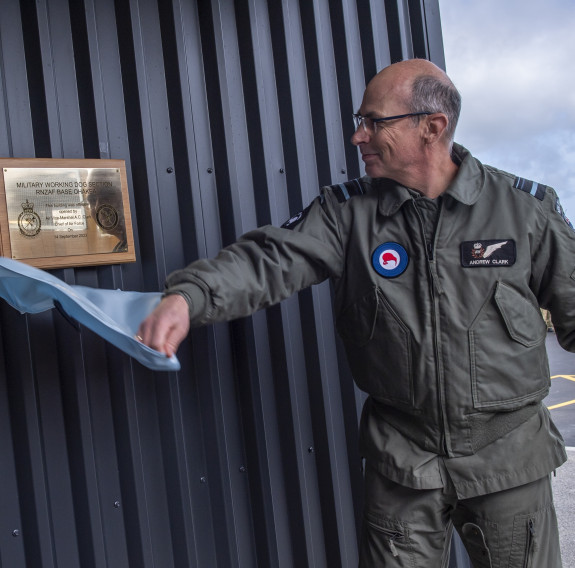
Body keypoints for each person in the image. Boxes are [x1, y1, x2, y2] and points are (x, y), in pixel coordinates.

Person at [137, 59, 571, 567]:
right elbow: (270, 259)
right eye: (358, 120)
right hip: (403, 458)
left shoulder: (525, 211)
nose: (356, 135)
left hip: (509, 458)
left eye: (373, 121)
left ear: (432, 127)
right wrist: (190, 296)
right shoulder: (346, 214)